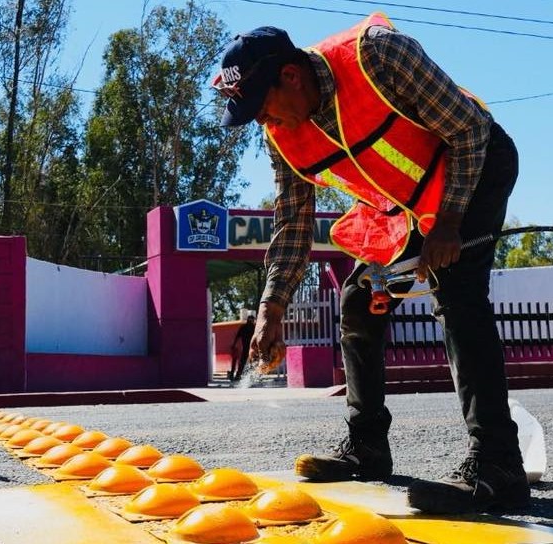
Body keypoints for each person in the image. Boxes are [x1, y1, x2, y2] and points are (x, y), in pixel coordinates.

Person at [213, 13, 527, 514]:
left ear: (290, 76)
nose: (265, 123)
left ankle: (499, 463)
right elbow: (292, 223)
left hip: (477, 165)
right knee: (361, 302)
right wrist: (271, 306)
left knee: (458, 292)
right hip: (407, 202)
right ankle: (367, 448)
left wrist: (447, 224)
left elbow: (470, 130)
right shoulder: (282, 138)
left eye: (265, 108)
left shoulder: (379, 56)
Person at [229, 314, 256, 381]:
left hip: (250, 348)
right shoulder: (250, 327)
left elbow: (237, 337)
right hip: (248, 348)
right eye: (252, 320)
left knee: (245, 363)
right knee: (247, 363)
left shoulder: (248, 327)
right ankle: (241, 376)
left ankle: (240, 376)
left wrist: (234, 344)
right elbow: (237, 336)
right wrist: (234, 345)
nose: (252, 321)